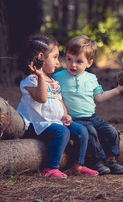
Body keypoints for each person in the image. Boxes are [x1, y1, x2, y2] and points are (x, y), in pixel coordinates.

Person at [17, 34, 98, 178]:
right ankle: (50, 168)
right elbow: (42, 98)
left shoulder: (53, 81)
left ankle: (77, 165)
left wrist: (65, 115)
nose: (57, 62)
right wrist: (41, 76)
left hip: (55, 121)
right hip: (38, 124)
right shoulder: (30, 81)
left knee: (82, 131)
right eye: (54, 57)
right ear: (41, 57)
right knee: (63, 132)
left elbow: (59, 101)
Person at [53, 35, 123, 175]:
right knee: (90, 132)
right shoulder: (58, 77)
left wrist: (118, 90)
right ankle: (96, 162)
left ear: (89, 63)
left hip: (92, 117)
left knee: (111, 130)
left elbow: (100, 97)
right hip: (73, 119)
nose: (72, 65)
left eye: (79, 61)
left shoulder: (91, 78)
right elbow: (52, 96)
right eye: (69, 59)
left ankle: (110, 160)